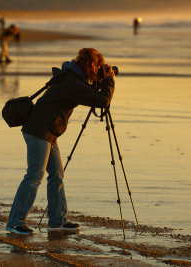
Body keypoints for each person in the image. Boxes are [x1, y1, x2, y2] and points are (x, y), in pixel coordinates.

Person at [6, 48, 115, 234]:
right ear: (89, 66)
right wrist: (109, 81)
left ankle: (57, 221)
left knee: (56, 174)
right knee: (34, 175)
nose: (98, 70)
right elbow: (102, 100)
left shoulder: (71, 77)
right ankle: (15, 222)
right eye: (97, 66)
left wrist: (100, 80)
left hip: (46, 131)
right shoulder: (73, 83)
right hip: (40, 131)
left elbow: (92, 95)